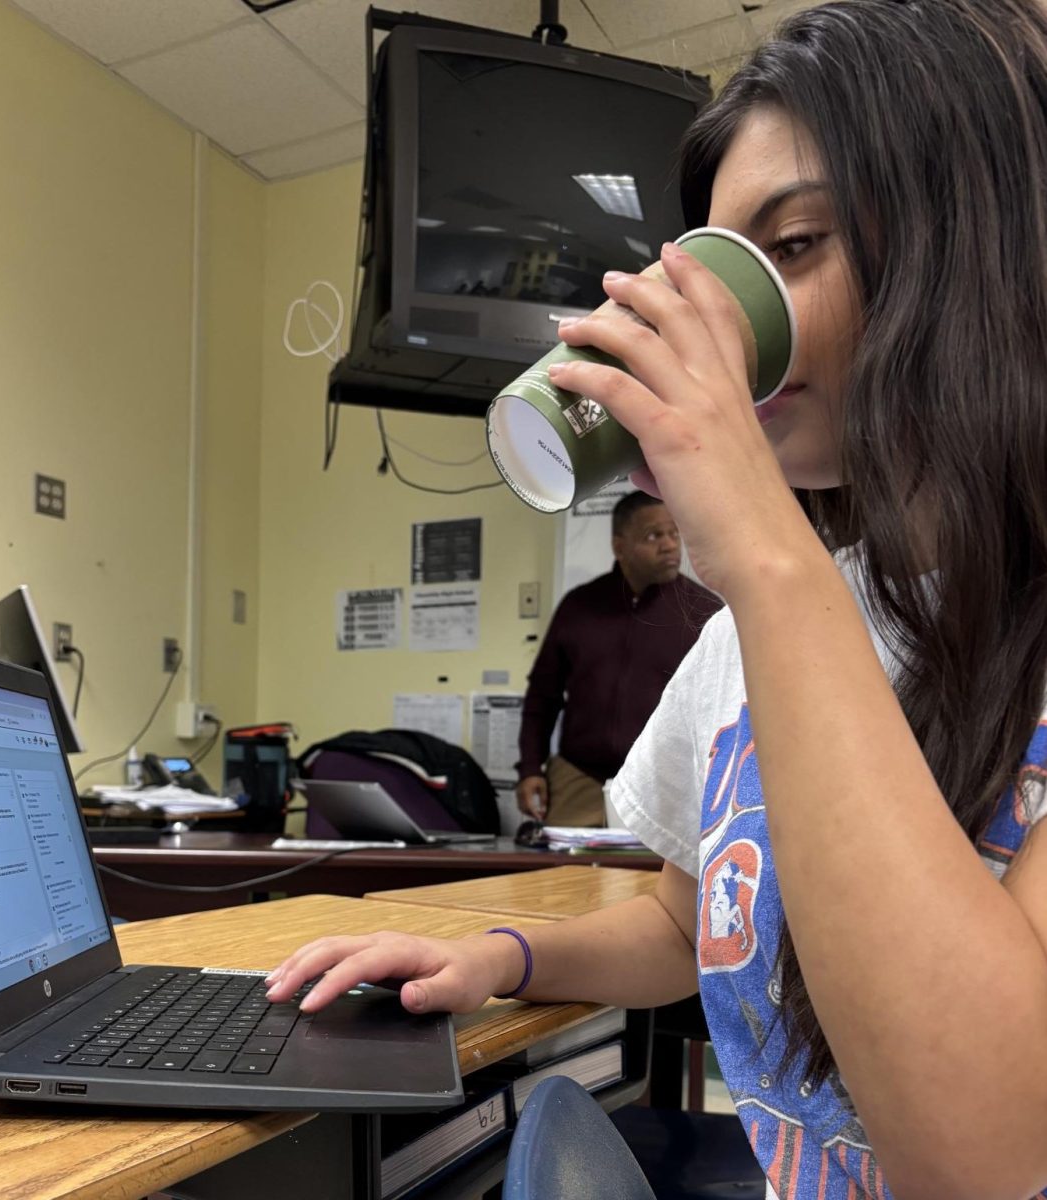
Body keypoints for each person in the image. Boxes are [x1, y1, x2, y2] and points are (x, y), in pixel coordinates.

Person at [266, 3, 1047, 1196]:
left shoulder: (768, 596)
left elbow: (986, 1153)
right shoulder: (749, 635)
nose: (714, 322)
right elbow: (688, 925)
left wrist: (758, 550)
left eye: (788, 247)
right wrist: (494, 956)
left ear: (978, 243)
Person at [516, 491, 720, 825]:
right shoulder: (579, 607)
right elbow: (543, 695)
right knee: (562, 874)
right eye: (654, 535)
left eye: (674, 533)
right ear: (619, 546)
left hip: (663, 782)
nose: (670, 545)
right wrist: (529, 767)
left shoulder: (703, 612)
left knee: (651, 877)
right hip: (580, 776)